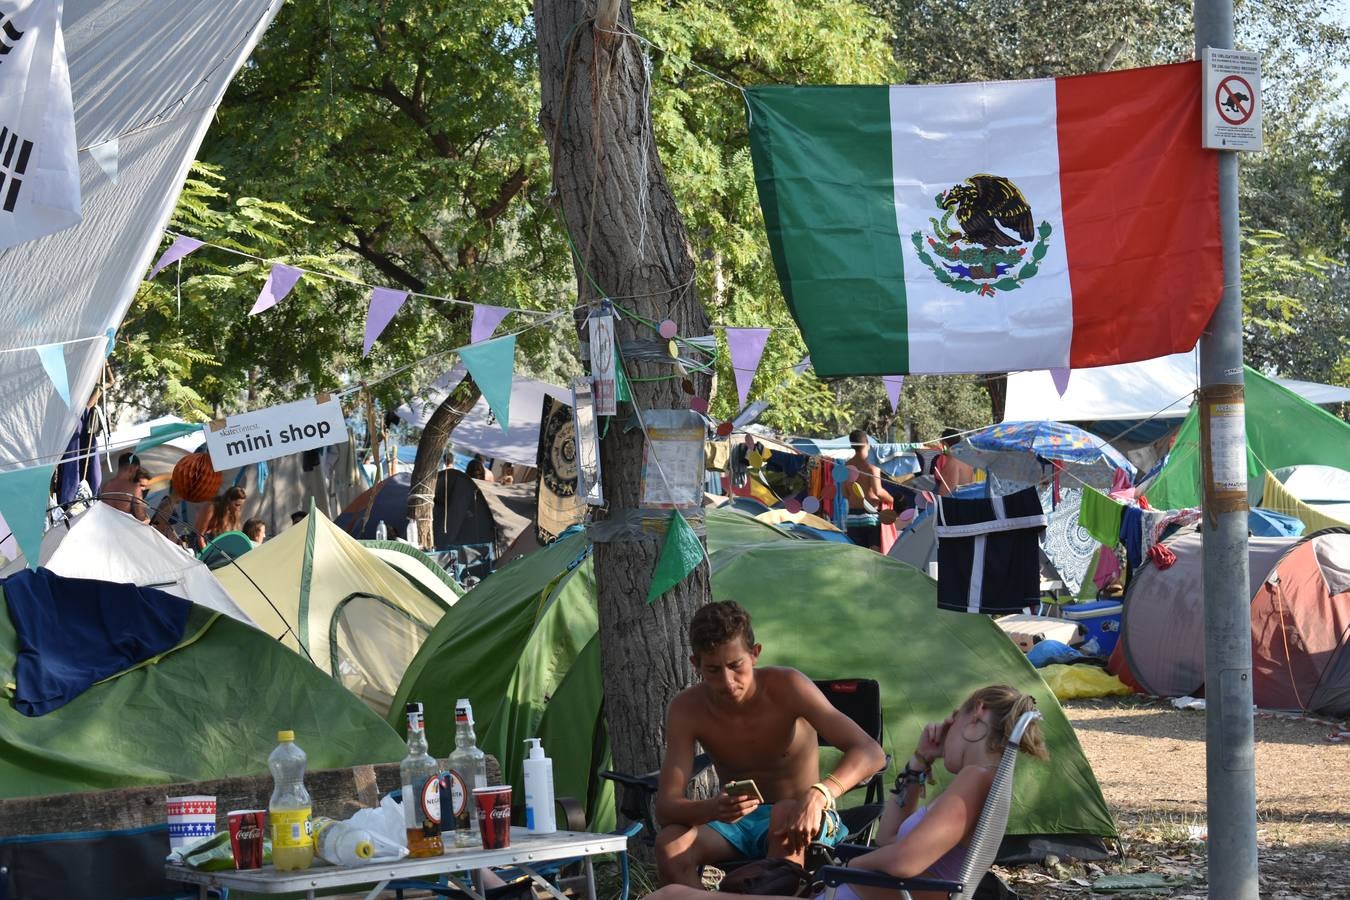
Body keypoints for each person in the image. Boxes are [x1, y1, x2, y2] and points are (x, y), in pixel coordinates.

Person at [649, 684, 1048, 900]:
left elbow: (906, 861)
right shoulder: (987, 780)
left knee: (665, 899)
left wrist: (844, 871)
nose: (945, 729)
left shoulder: (975, 779)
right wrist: (918, 764)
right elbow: (892, 838)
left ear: (976, 713)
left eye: (954, 717)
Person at [653, 601, 886, 887]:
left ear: (755, 654)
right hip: (735, 825)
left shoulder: (788, 686)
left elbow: (871, 752)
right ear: (695, 664)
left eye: (735, 666)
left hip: (801, 814)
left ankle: (777, 887)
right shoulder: (686, 709)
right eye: (713, 670)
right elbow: (666, 808)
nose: (728, 681)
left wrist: (821, 793)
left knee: (784, 813)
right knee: (670, 845)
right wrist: (712, 809)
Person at [845, 431, 886, 513]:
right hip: (870, 514)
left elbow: (844, 493)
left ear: (852, 445)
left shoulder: (846, 466)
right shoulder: (872, 466)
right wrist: (891, 499)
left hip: (852, 514)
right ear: (867, 443)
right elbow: (878, 491)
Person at [100, 453, 150, 521]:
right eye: (136, 470)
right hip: (120, 527)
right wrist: (146, 517)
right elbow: (140, 516)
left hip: (104, 524)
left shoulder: (106, 485)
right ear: (132, 468)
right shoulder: (134, 488)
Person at [932, 429, 976, 497]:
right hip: (965, 501)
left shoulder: (952, 462)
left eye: (941, 443)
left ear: (944, 444)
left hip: (953, 504)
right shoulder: (966, 461)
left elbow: (946, 493)